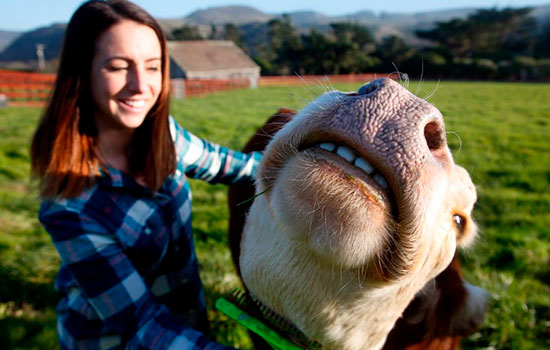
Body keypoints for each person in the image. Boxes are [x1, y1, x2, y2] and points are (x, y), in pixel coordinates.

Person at [30, 1, 261, 349]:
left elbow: (238, 169)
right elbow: (139, 325)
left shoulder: (165, 138)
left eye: (153, 67)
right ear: (82, 72)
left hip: (187, 332)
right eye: (119, 67)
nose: (140, 85)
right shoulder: (70, 206)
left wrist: (309, 161)